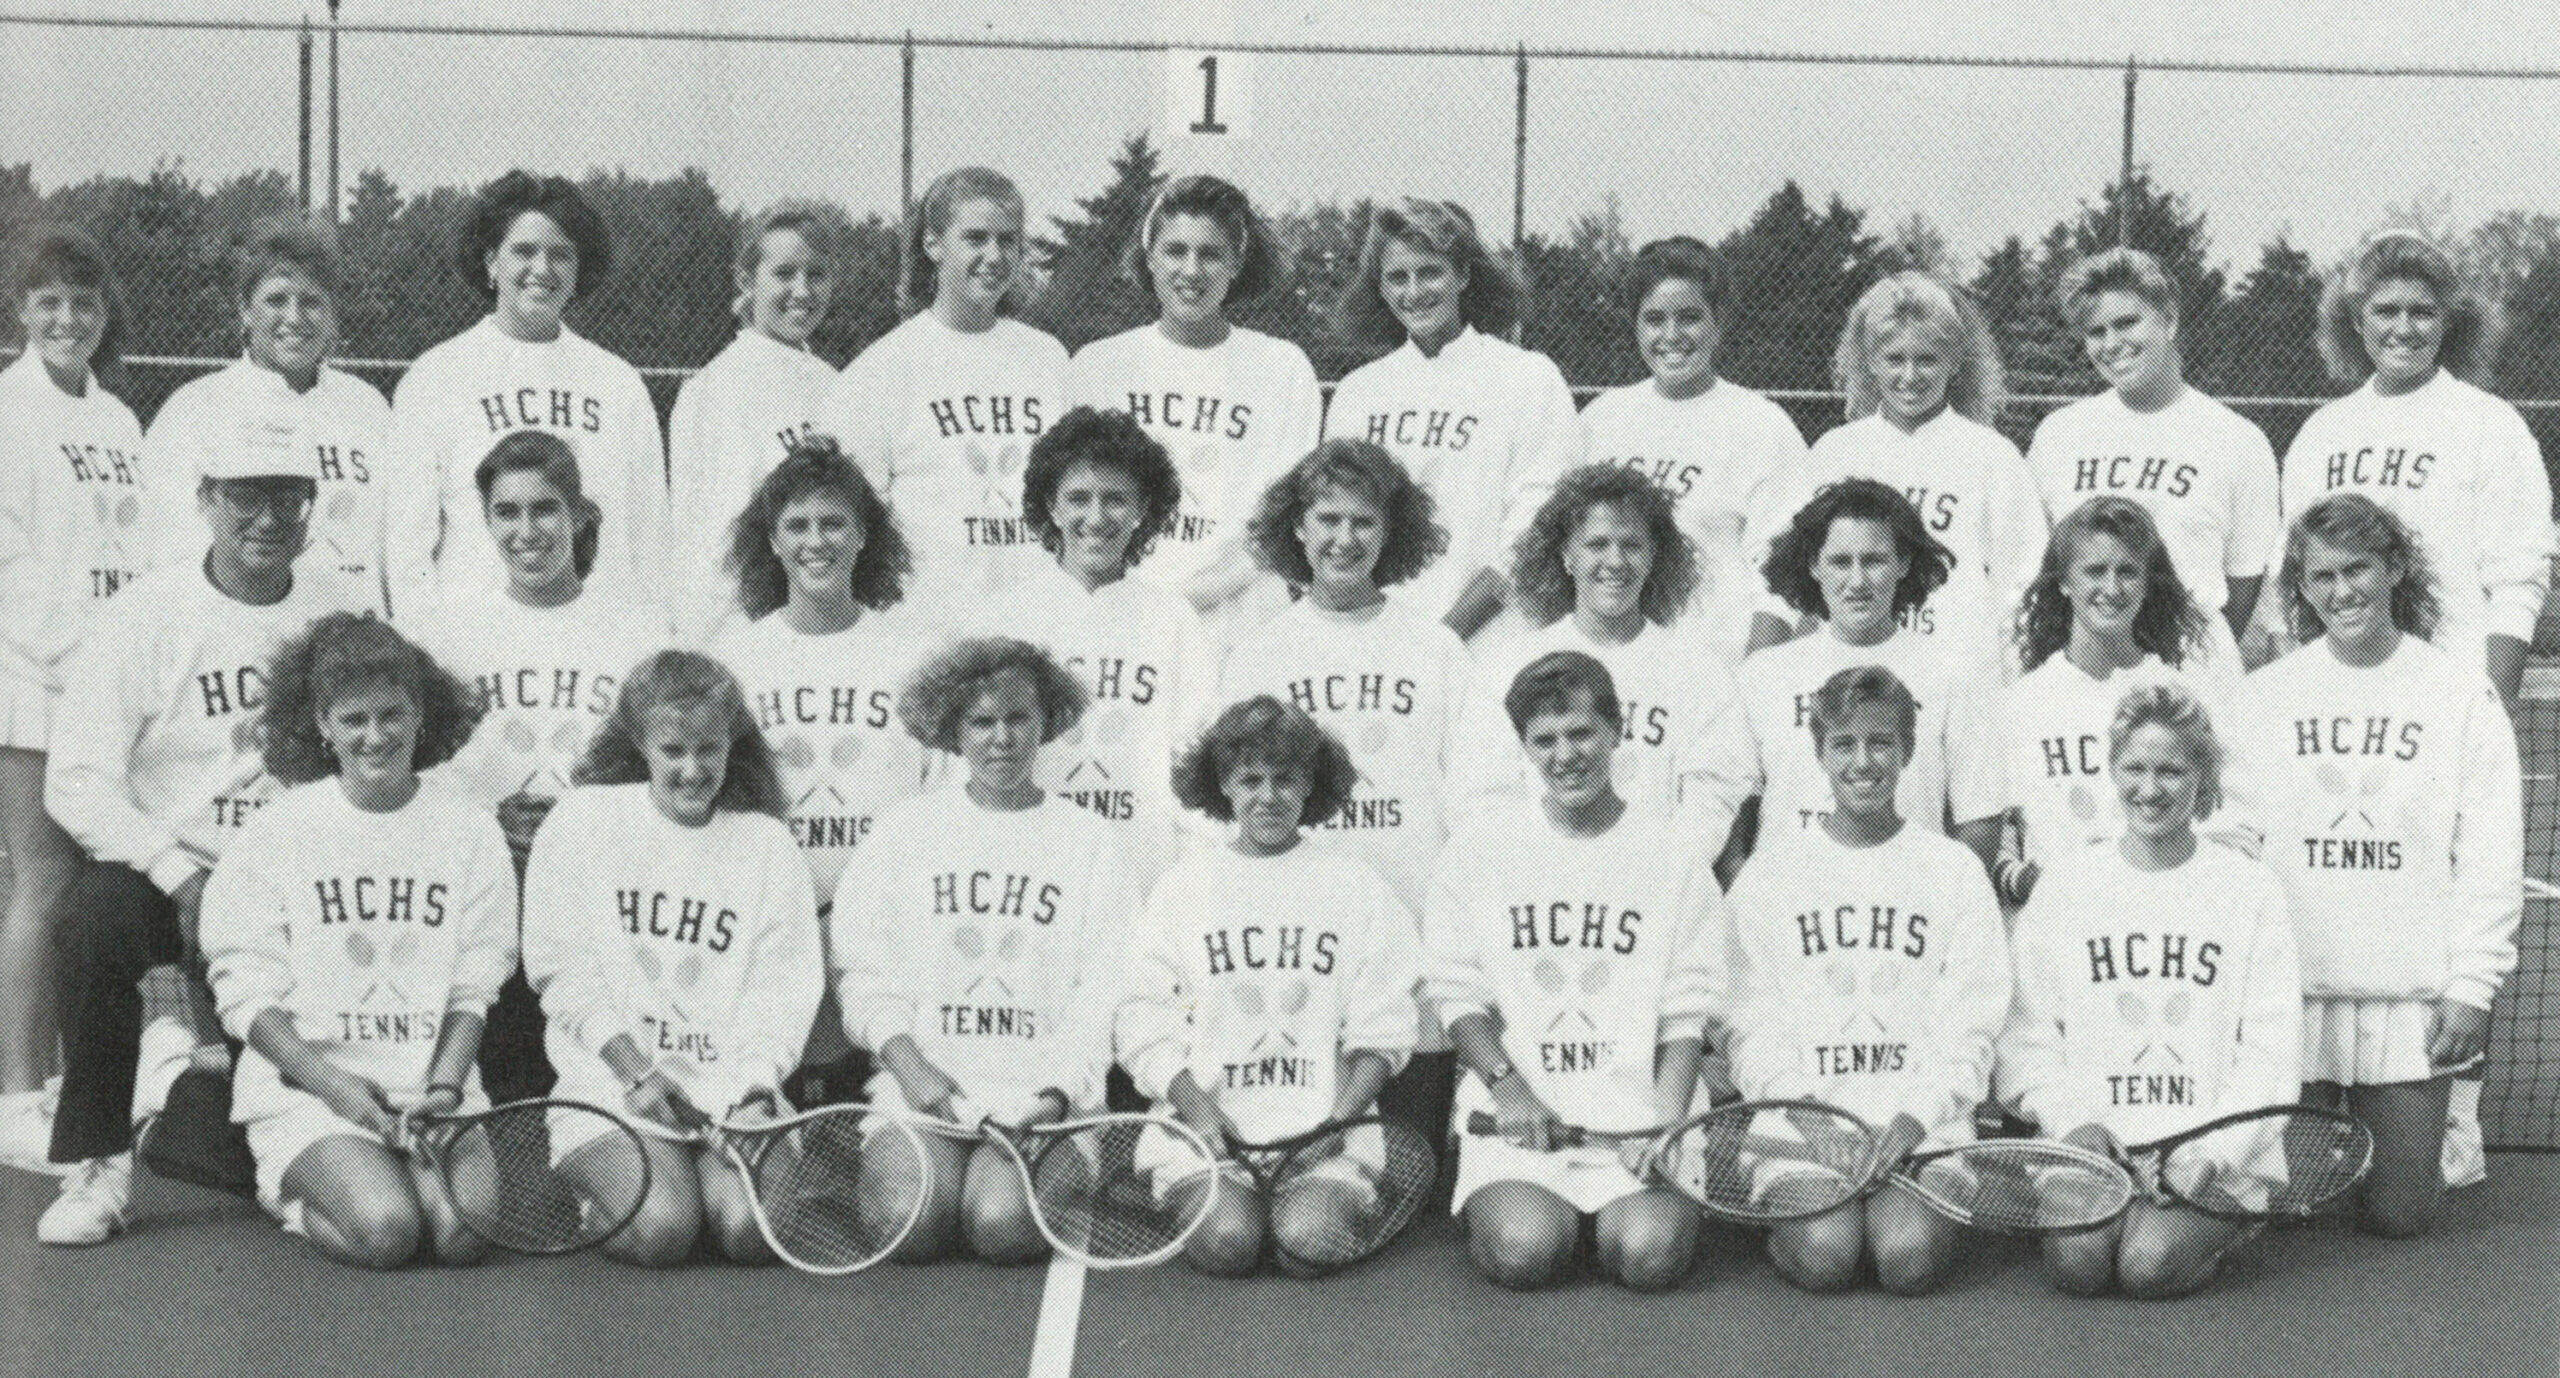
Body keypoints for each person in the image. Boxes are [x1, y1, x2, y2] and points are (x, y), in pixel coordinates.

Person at [37, 419, 376, 1245]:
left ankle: (189, 1114)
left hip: (298, 886)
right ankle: (97, 1164)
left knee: (279, 1122)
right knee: (93, 917)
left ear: (310, 508)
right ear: (205, 501)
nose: (267, 518)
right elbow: (75, 779)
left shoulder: (340, 607)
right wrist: (176, 872)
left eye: (289, 498)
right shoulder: (144, 614)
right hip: (177, 874)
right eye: (245, 497)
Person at [2232, 493, 2521, 1237]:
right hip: (2293, 995)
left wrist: (2471, 988)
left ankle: (2443, 1130)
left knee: (2399, 1218)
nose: (2341, 591)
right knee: (2289, 1214)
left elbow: (2490, 853)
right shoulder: (2264, 697)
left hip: (2407, 995)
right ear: (2301, 586)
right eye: (2320, 577)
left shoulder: (2458, 693)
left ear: (2395, 568)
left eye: (2357, 569)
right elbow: (2234, 844)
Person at [201, 614, 514, 1268]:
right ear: (322, 725)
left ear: (420, 714)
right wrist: (334, 1086)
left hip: (432, 1094)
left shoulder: (471, 831)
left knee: (461, 1238)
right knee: (389, 1232)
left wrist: (447, 1088)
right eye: (353, 721)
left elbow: (474, 986)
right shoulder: (276, 833)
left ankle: (395, 1174)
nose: (376, 737)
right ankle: (291, 1194)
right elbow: (245, 997)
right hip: (312, 1094)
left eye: (391, 716)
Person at [1428, 652, 1724, 1292]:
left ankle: (1624, 1213)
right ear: (1525, 748)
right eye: (1545, 740)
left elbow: (1685, 1013)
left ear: (1617, 732)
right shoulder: (1478, 850)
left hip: (1641, 1116)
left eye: (1582, 733)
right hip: (1519, 1117)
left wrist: (1668, 1124)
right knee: (1525, 1253)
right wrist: (1510, 1092)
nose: (1565, 755)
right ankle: (1536, 1212)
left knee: (1649, 1258)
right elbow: (1459, 999)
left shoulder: (1674, 855)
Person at [830, 637, 1133, 1263]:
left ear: (1047, 721)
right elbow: (863, 972)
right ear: (952, 729)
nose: (1002, 738)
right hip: (925, 1094)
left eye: (1018, 719)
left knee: (1001, 1227)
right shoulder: (903, 831)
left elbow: (1106, 990)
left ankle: (1054, 1169)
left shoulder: (1092, 842)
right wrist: (912, 1070)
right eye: (982, 721)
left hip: (1044, 1104)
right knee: (902, 1223)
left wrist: (1056, 1095)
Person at [522, 650, 821, 1266]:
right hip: (610, 1088)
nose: (692, 769)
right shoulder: (582, 822)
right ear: (639, 745)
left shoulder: (767, 844)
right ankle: (610, 1189)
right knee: (664, 1232)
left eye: (708, 750)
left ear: (732, 746)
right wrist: (635, 1070)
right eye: (672, 751)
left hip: (729, 1095)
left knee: (747, 1234)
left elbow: (782, 991)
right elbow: (561, 971)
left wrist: (754, 1087)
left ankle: (715, 1178)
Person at [2000, 683, 2298, 1298]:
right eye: (2134, 768)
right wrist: (2072, 1123)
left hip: (2204, 1157)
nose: (2150, 788)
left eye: (2171, 770)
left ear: (2203, 780)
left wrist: (2210, 1153)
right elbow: (2027, 1035)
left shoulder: (2251, 891)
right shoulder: (2066, 886)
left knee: (2148, 1267)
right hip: (2093, 1150)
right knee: (2078, 1263)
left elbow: (2271, 1054)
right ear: (2113, 772)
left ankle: (2223, 1223)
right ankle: (2138, 1214)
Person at [1722, 666, 2010, 1295]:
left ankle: (1892, 1202)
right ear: (1819, 753)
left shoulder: (1955, 870)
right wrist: (1815, 1123)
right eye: (1844, 745)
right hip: (1799, 1129)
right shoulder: (1769, 875)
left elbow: (1972, 1026)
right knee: (1827, 1253)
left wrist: (1915, 1122)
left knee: (1906, 1259)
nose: (1863, 762)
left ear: (1907, 751)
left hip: (1920, 1131)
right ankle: (1788, 1220)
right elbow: (1748, 1027)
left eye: (1881, 743)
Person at [1118, 696, 1421, 1276]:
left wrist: (1335, 1123)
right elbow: (1143, 1019)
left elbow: (1383, 1029)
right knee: (1229, 1244)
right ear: (1222, 785)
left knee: (1307, 1245)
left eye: (1285, 779)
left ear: (1311, 784)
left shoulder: (1357, 887)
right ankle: (1201, 1199)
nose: (1268, 796)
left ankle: (1318, 1201)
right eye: (1250, 779)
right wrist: (1197, 1108)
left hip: (1325, 1135)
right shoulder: (1183, 887)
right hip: (1204, 1135)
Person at [414, 431, 669, 1102]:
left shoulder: (640, 629)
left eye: (545, 509)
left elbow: (661, 770)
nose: (527, 531)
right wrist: (486, 821)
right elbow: (424, 773)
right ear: (487, 520)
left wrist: (579, 820)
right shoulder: (449, 630)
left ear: (579, 514)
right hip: (488, 877)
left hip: (598, 875)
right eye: (508, 512)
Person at [0, 226, 149, 1169]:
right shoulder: (7, 410)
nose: (67, 319)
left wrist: (124, 669)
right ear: (21, 312)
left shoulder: (118, 421)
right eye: (48, 302)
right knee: (41, 885)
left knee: (88, 893)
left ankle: (58, 1080)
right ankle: (15, 1091)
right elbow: (9, 562)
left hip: (108, 689)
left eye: (84, 305)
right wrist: (68, 659)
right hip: (34, 683)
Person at [2282, 231, 2550, 717]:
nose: (2403, 328)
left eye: (2422, 312)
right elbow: (2298, 579)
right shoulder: (2321, 433)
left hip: (2451, 695)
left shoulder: (2490, 423)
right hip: (2345, 701)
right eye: (2386, 311)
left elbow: (2518, 579)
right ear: (2356, 321)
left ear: (2448, 324)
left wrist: (2494, 705)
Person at [386, 170, 667, 621]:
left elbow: (651, 539)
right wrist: (429, 652)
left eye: (560, 255)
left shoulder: (619, 383)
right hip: (478, 642)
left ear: (579, 270)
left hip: (597, 637)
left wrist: (648, 635)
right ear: (491, 262)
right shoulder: (435, 377)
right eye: (524, 251)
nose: (542, 269)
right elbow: (407, 553)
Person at [1712, 479, 2006, 871]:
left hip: (1907, 901)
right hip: (1791, 901)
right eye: (1840, 562)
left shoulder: (1951, 671)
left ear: (1902, 563)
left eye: (1873, 561)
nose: (1857, 581)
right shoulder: (1764, 674)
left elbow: (1979, 815)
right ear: (1814, 565)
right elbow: (1733, 808)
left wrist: (1941, 902)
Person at [1456, 463, 1747, 857]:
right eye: (1596, 544)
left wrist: (1655, 874)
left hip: (1652, 888)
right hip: (1538, 882)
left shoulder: (1699, 672)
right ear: (1567, 556)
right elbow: (1485, 794)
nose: (1615, 561)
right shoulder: (1507, 667)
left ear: (1653, 556)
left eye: (1631, 545)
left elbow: (1713, 797)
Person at [1759, 272, 2044, 673]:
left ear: (1955, 361)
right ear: (1871, 361)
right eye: (1895, 359)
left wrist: (2015, 683)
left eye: (1927, 359)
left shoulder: (1990, 455)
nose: (1910, 376)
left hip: (1955, 667)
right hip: (1852, 671)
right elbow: (1791, 576)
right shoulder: (1835, 451)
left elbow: (2023, 581)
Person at [1324, 199, 1582, 640]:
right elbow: (1336, 525)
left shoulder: (1528, 378)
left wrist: (1446, 636)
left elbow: (1533, 530)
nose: (1413, 291)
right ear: (1380, 288)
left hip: (1493, 639)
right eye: (1397, 277)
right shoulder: (1358, 392)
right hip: (1378, 641)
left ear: (1463, 275)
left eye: (1429, 272)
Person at [1067, 175, 1321, 622]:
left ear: (1236, 264)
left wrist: (1184, 602)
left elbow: (1278, 524)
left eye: (1210, 254)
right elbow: (1076, 509)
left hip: (1240, 615)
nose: (1191, 270)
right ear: (1149, 259)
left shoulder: (1283, 368)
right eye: (1175, 251)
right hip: (1123, 614)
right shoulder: (1097, 366)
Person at [821, 167, 1066, 618]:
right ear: (933, 244)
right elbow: (847, 526)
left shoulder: (1047, 358)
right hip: (931, 635)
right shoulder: (880, 372)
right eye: (975, 238)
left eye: (1007, 240)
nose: (994, 256)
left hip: (1037, 627)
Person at [2025, 248, 2279, 667]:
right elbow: (2043, 568)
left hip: (2189, 667)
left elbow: (2243, 580)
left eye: (2127, 323)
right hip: (2088, 668)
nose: (2112, 344)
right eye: (2096, 332)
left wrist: (2187, 661)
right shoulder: (2059, 434)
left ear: (2170, 321)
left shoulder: (2237, 439)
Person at [982, 406, 1203, 887]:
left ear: (1144, 507)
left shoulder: (1173, 618)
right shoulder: (1004, 617)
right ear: (1052, 506)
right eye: (1078, 499)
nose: (1096, 517)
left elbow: (1193, 757)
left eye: (1116, 499)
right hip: (1033, 864)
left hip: (1142, 864)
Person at [705, 438, 927, 903]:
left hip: (886, 910)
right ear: (772, 539)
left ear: (863, 533)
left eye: (833, 524)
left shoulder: (914, 657)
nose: (816, 542)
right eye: (797, 526)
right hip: (768, 911)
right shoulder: (732, 661)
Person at [1577, 236, 1809, 663]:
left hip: (1715, 666)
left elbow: (1783, 579)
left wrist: (1751, 680)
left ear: (1718, 321)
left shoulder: (1761, 426)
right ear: (1635, 324)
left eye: (1689, 318)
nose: (1671, 336)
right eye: (1654, 319)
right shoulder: (1601, 419)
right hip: (1612, 667)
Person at [148, 215, 395, 610]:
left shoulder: (367, 407)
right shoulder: (195, 410)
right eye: (276, 300)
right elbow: (174, 556)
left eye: (312, 301)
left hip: (353, 643)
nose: (294, 318)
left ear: (332, 314)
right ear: (245, 311)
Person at [2000, 496, 2235, 905]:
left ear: (2147, 584)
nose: (2111, 588)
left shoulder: (2184, 700)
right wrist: (2032, 884)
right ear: (2063, 581)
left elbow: (2232, 828)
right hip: (2059, 931)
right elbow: (1993, 840)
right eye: (2095, 571)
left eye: (2127, 572)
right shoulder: (2019, 706)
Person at [668, 202, 845, 640]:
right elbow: (713, 548)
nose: (802, 291)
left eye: (816, 274)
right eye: (784, 274)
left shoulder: (836, 384)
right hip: (753, 634)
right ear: (748, 282)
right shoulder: (718, 389)